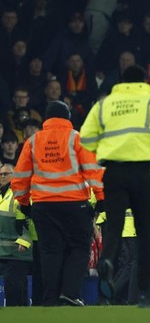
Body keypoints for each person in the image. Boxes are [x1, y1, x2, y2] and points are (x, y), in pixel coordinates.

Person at [79, 65, 150, 308]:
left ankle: (106, 271)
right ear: (143, 81)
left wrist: (103, 152)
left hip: (113, 172)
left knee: (113, 231)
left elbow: (85, 138)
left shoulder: (105, 105)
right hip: (141, 173)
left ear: (121, 81)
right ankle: (145, 294)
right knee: (144, 233)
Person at [11, 101, 105, 306]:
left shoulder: (33, 141)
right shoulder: (77, 138)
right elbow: (94, 171)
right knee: (79, 248)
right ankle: (70, 293)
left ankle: (50, 299)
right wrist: (101, 198)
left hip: (43, 206)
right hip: (74, 204)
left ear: (47, 118)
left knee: (50, 252)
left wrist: (24, 202)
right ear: (67, 117)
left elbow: (19, 178)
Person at [0, 163, 32, 306]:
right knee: (15, 290)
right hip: (3, 252)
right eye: (0, 174)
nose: (2, 177)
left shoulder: (21, 193)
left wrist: (25, 239)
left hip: (17, 252)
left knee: (14, 293)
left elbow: (29, 219)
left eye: (6, 174)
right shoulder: (2, 195)